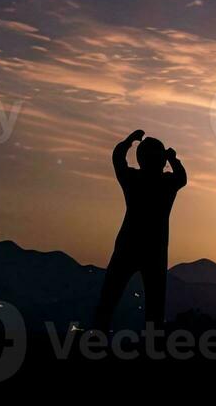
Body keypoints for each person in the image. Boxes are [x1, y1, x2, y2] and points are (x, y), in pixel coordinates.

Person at [93, 129, 187, 331]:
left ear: (141, 159)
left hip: (127, 245)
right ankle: (153, 349)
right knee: (155, 308)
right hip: (155, 250)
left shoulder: (132, 179)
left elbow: (118, 159)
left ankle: (95, 342)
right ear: (161, 161)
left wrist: (128, 142)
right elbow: (182, 177)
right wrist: (173, 158)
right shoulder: (167, 183)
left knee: (109, 298)